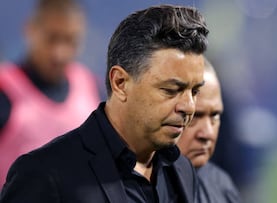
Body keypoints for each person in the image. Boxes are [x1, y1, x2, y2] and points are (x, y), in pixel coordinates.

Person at [0, 4, 209, 203]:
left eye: (195, 91)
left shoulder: (182, 171)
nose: (189, 107)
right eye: (170, 90)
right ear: (119, 83)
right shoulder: (43, 174)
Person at [0, 0, 100, 187]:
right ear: (29, 30)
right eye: (52, 38)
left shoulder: (90, 87)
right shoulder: (5, 90)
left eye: (69, 40)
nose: (59, 53)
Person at [177, 58, 242, 203]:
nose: (207, 133)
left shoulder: (221, 186)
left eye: (215, 116)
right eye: (194, 116)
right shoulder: (128, 187)